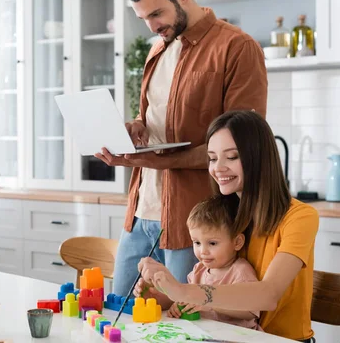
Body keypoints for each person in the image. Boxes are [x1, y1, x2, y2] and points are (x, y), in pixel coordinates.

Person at [95, 0, 267, 298]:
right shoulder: (158, 50)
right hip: (142, 210)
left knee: (183, 324)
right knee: (122, 317)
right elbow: (158, 119)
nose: (151, 26)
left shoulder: (236, 47)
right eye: (143, 18)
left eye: (156, 14)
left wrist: (152, 161)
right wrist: (137, 127)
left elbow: (242, 148)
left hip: (197, 221)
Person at [135, 110, 320, 343]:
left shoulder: (300, 217)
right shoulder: (225, 215)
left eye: (231, 157)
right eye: (212, 158)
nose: (218, 168)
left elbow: (268, 294)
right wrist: (162, 293)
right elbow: (209, 295)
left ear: (258, 158)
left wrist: (183, 291)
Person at [146, 195, 263, 331]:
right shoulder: (198, 269)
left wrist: (209, 303)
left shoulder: (241, 272)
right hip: (205, 334)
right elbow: (188, 298)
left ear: (237, 242)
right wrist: (178, 305)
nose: (203, 251)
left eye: (212, 243)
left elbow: (250, 311)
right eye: (197, 243)